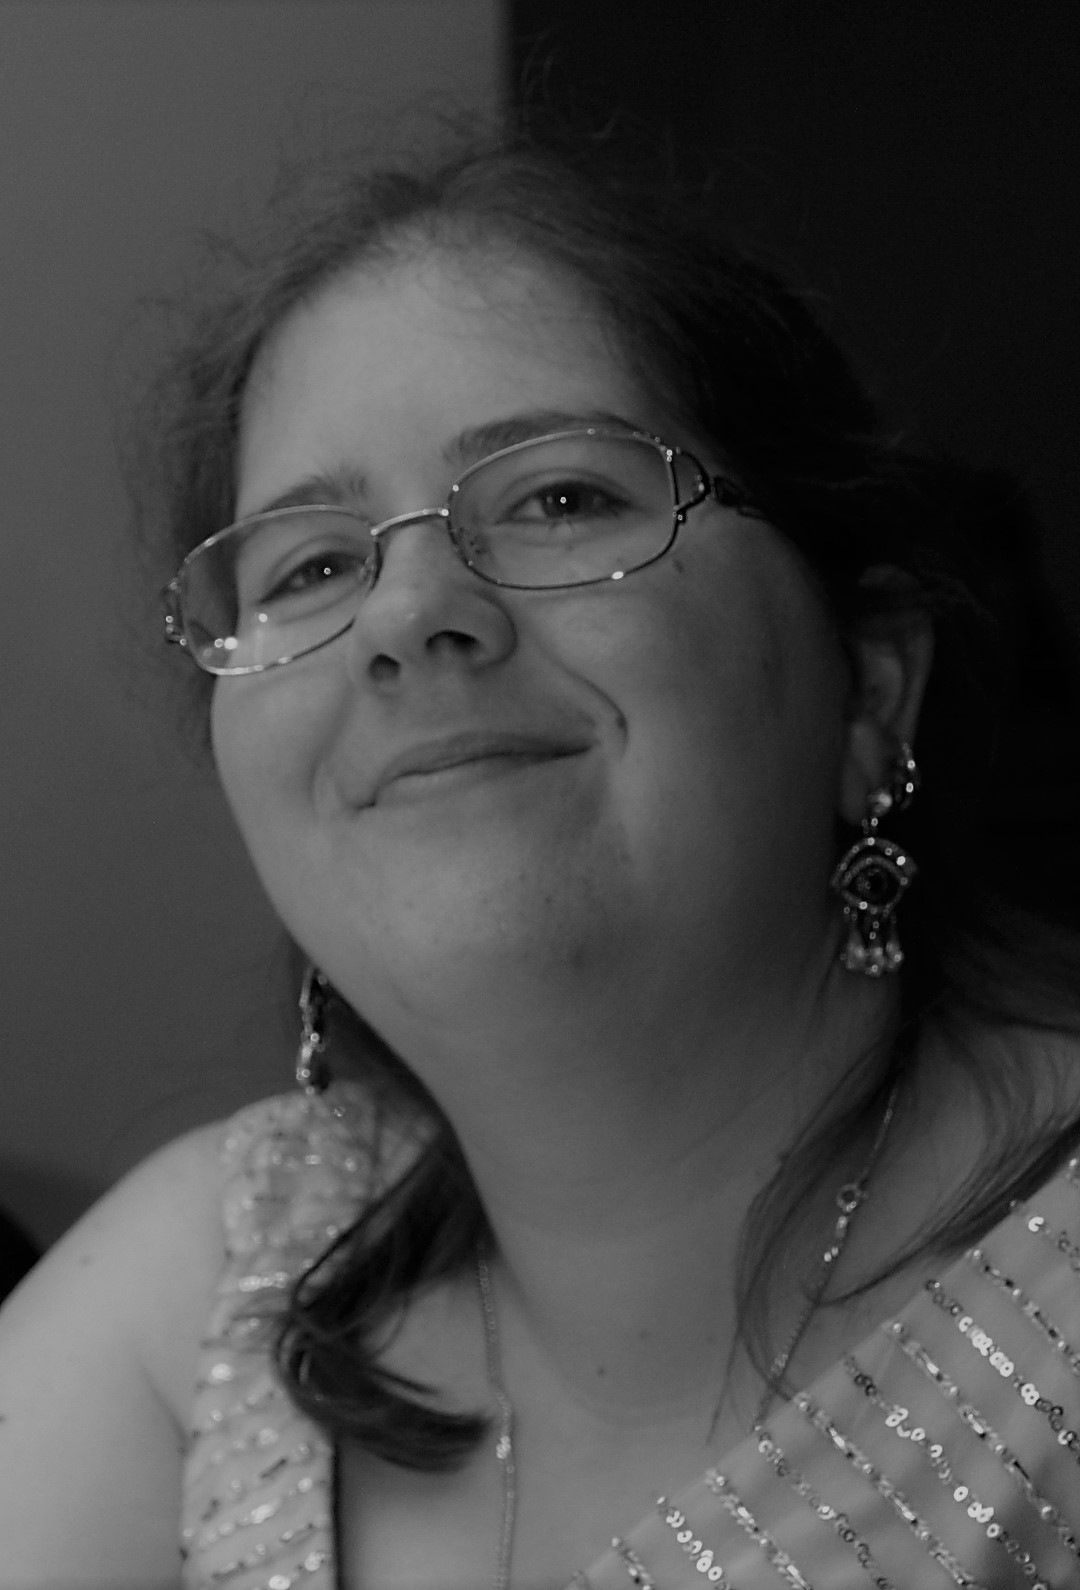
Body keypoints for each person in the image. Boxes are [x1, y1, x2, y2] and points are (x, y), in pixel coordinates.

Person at [2, 128, 1080, 1590]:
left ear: (869, 690)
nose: (405, 614)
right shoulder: (213, 1280)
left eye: (561, 498)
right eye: (312, 566)